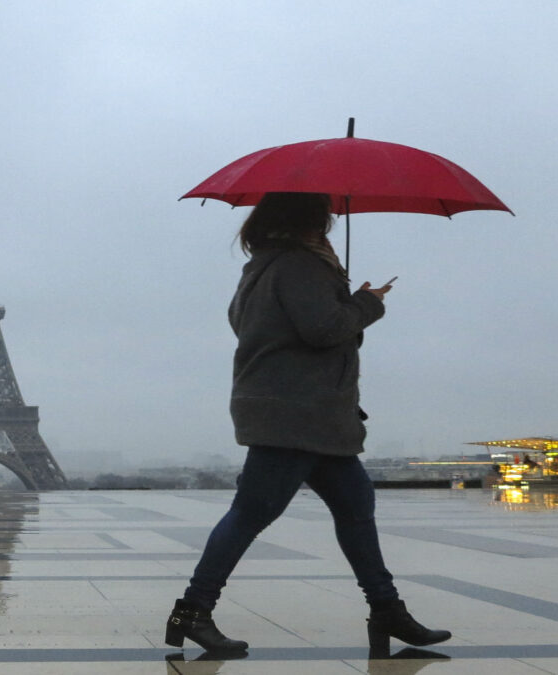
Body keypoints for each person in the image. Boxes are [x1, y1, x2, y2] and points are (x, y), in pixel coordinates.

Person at [166, 192, 450, 654]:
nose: (331, 223)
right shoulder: (300, 266)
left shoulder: (262, 267)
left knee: (356, 507)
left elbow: (263, 328)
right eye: (325, 217)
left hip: (309, 415)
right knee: (253, 513)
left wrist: (345, 299)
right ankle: (193, 611)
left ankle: (387, 611)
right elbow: (323, 329)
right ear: (307, 221)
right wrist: (365, 304)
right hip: (296, 414)